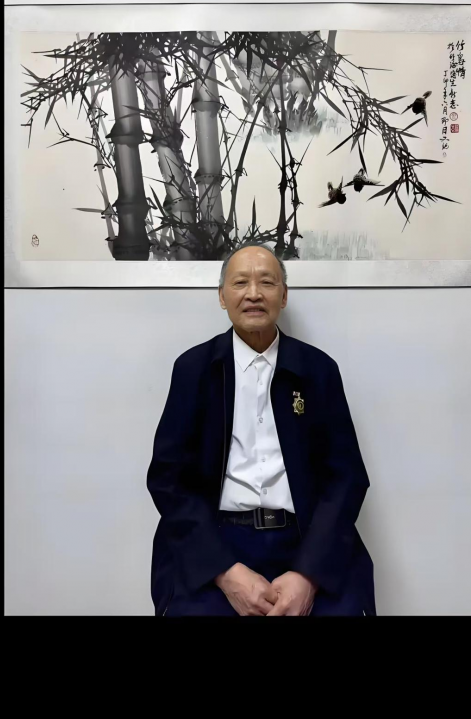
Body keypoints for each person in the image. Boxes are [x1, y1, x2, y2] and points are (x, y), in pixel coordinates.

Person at [147, 244, 376, 616]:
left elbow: (346, 478)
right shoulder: (194, 369)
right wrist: (226, 573)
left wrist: (307, 574)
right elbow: (167, 480)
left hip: (305, 539)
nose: (253, 293)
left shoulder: (317, 370)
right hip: (217, 541)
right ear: (222, 296)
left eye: (267, 282)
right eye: (240, 283)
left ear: (283, 296)